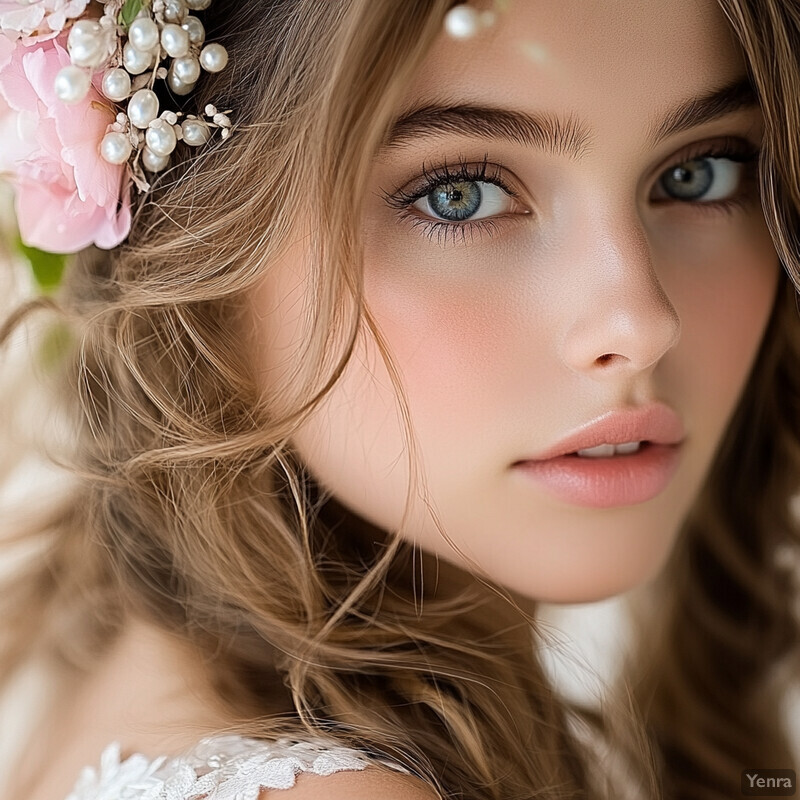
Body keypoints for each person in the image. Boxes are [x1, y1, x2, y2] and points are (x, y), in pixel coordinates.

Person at [0, 0, 799, 797]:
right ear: (202, 234)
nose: (642, 321)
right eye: (461, 194)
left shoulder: (81, 634)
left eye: (701, 170)